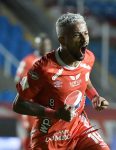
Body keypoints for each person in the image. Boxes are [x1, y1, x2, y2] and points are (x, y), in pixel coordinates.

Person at [13, 13, 110, 150]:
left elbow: (84, 79)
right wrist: (56, 114)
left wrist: (94, 96)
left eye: (86, 34)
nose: (84, 41)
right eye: (77, 36)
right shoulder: (43, 68)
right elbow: (18, 105)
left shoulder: (89, 57)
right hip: (48, 136)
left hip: (78, 129)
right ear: (62, 40)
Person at [14, 33, 52, 150]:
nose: (44, 47)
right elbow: (19, 81)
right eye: (41, 45)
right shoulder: (28, 61)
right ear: (36, 45)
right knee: (30, 133)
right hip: (32, 105)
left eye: (46, 45)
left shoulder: (53, 61)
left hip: (49, 105)